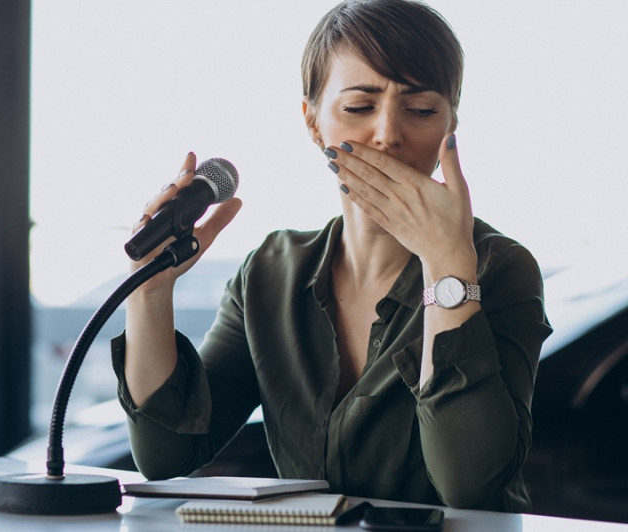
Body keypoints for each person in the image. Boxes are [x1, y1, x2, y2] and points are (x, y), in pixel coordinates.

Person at [111, 0, 552, 513]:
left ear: (450, 123)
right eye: (360, 107)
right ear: (313, 122)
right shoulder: (272, 271)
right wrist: (150, 290)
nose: (387, 134)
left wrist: (447, 266)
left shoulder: (501, 268)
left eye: (422, 110)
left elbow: (472, 488)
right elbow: (167, 454)